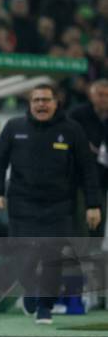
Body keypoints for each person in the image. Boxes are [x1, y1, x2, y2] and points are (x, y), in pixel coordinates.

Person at [0, 84, 101, 325]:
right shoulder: (14, 127)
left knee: (53, 258)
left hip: (59, 208)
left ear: (55, 103)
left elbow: (87, 169)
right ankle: (30, 290)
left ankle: (45, 307)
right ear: (30, 104)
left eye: (46, 100)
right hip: (22, 206)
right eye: (36, 100)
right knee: (24, 258)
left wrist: (94, 204)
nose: (41, 104)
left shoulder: (72, 130)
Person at [69, 79, 108, 236]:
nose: (104, 98)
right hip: (79, 180)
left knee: (99, 221)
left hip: (102, 180)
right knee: (81, 223)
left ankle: (94, 258)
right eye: (100, 94)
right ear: (91, 96)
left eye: (107, 95)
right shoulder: (77, 114)